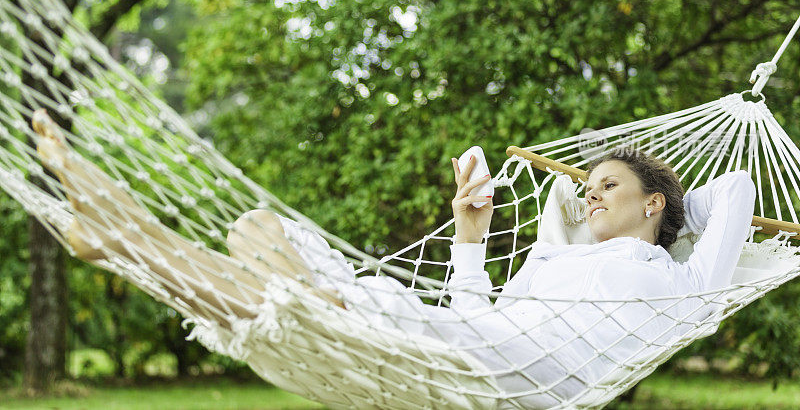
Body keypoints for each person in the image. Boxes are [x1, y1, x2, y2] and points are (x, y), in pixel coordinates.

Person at [32, 109, 756, 408]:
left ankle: (123, 237)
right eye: (588, 184)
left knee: (295, 296)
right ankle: (120, 240)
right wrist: (468, 231)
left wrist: (740, 112)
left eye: (609, 186)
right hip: (475, 344)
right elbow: (474, 311)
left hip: (514, 382)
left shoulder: (676, 285)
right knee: (258, 227)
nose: (590, 195)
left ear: (655, 204)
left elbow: (738, 188)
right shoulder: (554, 259)